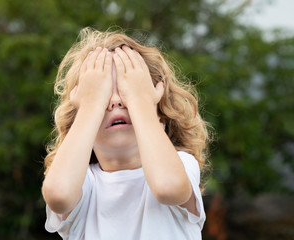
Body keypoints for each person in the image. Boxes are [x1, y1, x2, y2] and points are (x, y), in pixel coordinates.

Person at [42, 27, 211, 240]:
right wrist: (91, 104)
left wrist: (139, 100)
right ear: (80, 126)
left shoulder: (181, 165)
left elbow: (167, 187)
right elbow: (58, 194)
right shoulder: (84, 185)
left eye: (125, 91)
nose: (115, 101)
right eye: (103, 94)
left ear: (161, 119)